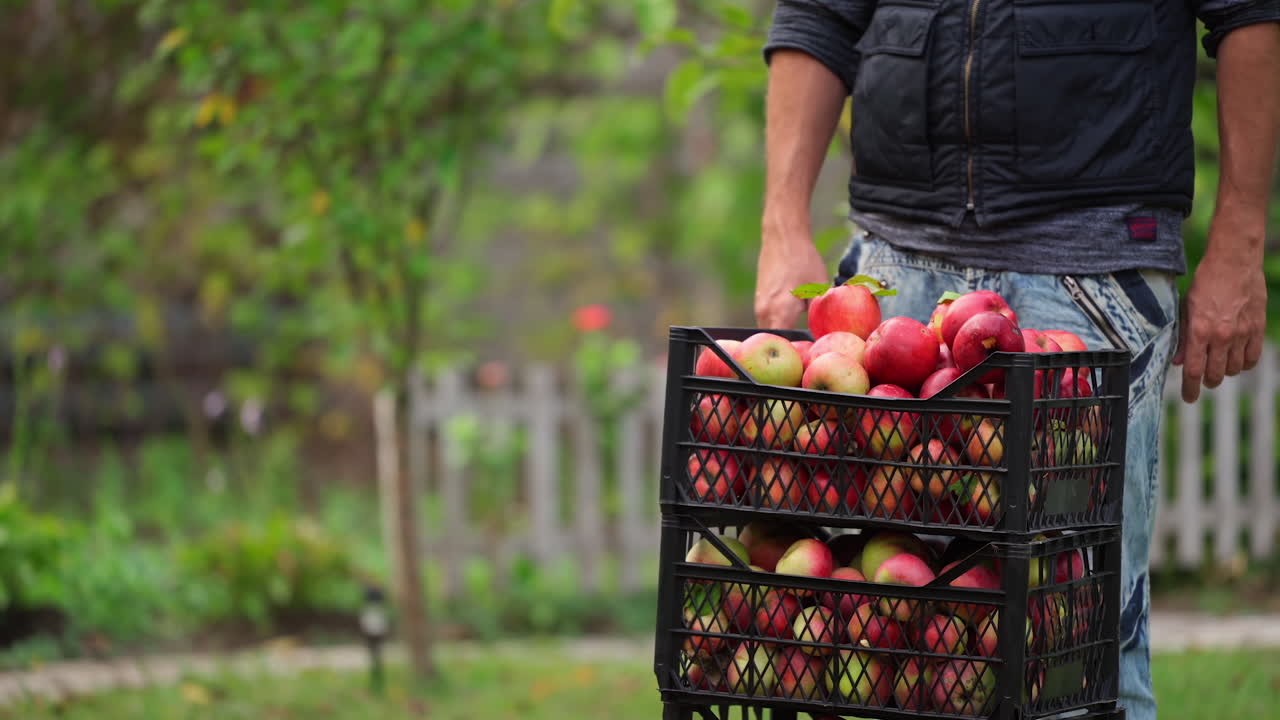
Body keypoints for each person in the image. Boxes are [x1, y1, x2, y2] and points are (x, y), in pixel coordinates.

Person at [754, 1, 1277, 717]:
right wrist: (782, 224)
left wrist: (1242, 241)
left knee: (1071, 657)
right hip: (893, 273)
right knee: (893, 657)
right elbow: (819, 15)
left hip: (1085, 274)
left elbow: (1250, 12)